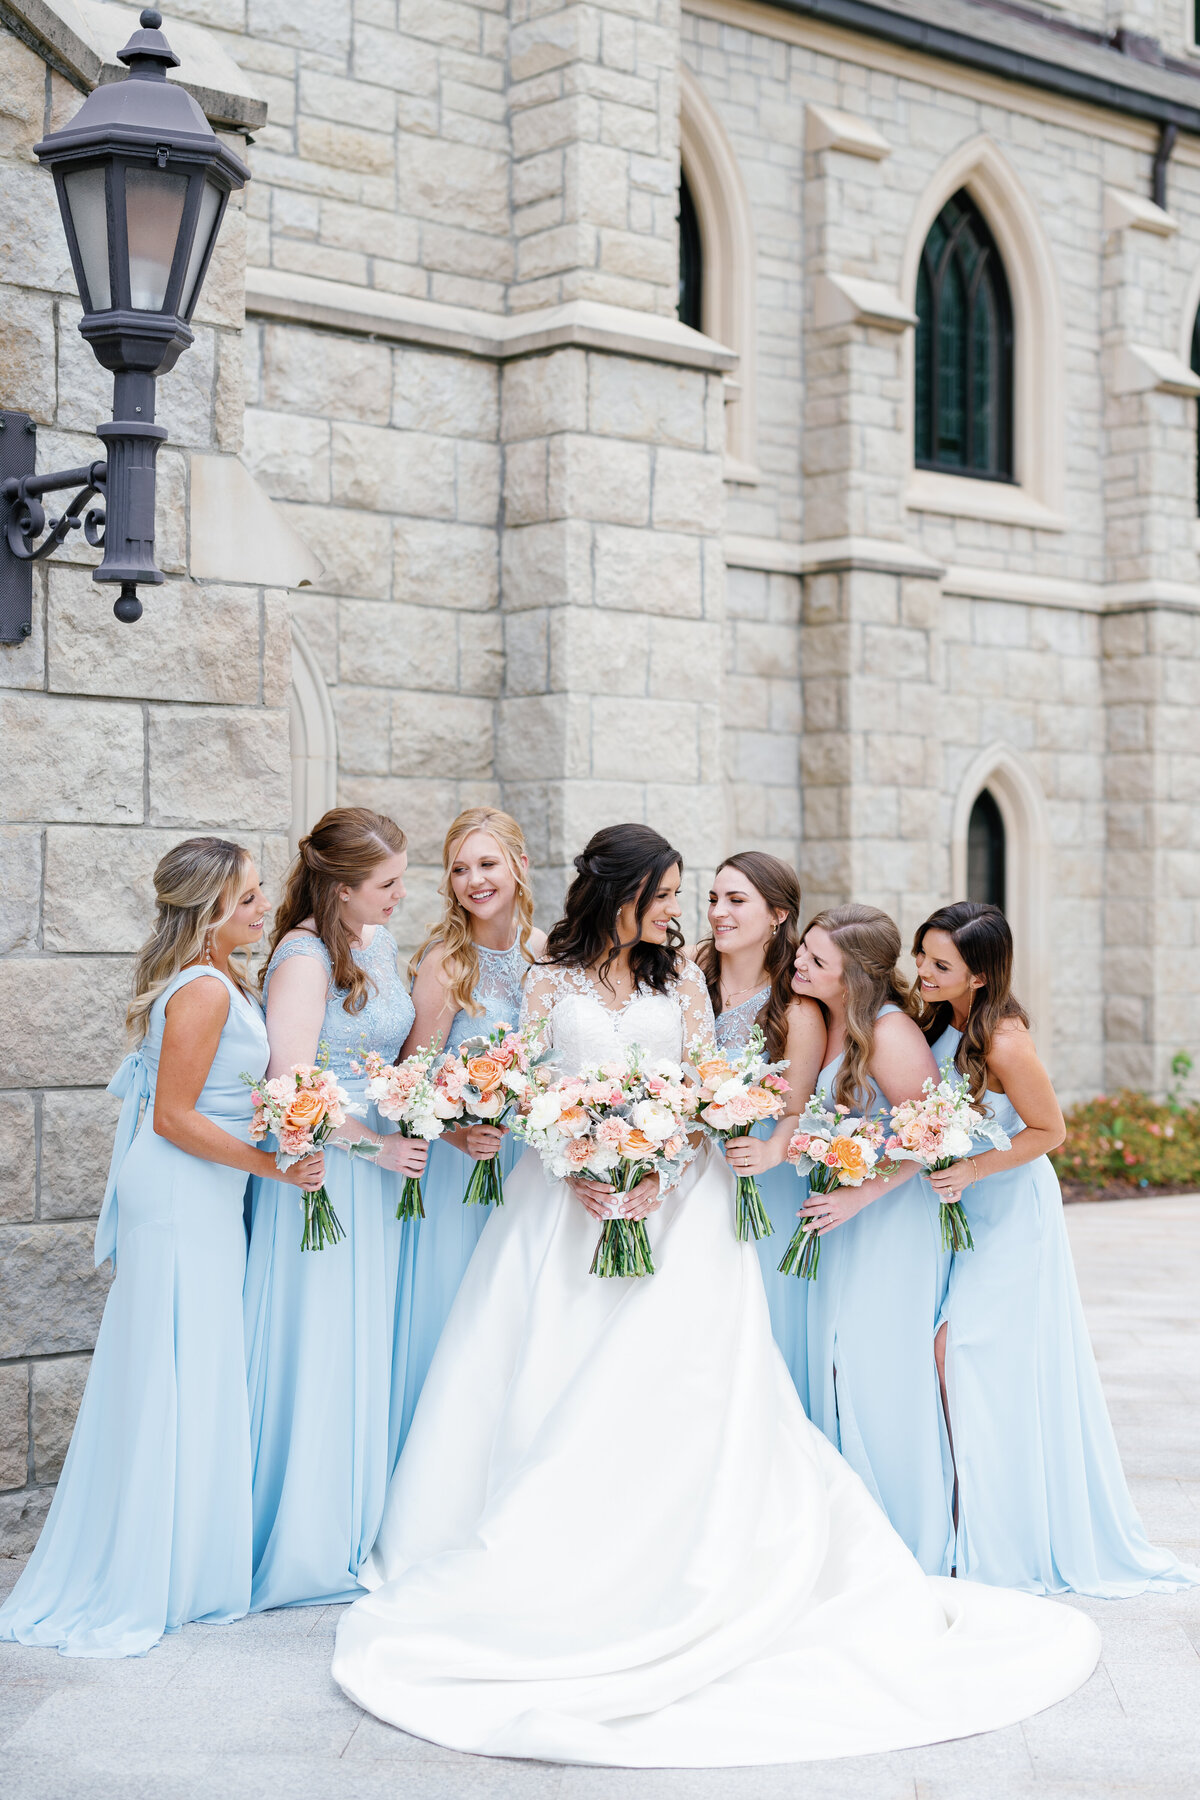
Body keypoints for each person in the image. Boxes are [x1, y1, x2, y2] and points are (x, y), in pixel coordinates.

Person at [330, 825, 1098, 1767]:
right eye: (667, 893)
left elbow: (702, 1095)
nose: (678, 911)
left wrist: (660, 1166)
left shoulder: (678, 981)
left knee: (683, 1384)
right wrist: (575, 1161)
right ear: (624, 891)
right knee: (534, 1370)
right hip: (557, 1205)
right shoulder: (544, 978)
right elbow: (531, 1088)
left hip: (677, 1209)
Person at [0, 839, 322, 1657]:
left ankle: (181, 1564)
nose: (261, 909)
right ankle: (152, 1572)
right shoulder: (206, 991)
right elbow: (173, 1118)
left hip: (202, 1193)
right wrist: (275, 1167)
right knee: (170, 1370)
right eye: (248, 899)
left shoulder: (224, 980)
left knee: (190, 1367)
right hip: (180, 1196)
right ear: (212, 907)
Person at [916, 900, 1199, 1596]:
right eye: (921, 956)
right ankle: (960, 1516)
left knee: (964, 1349)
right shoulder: (941, 1022)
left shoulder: (1006, 1041)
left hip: (1011, 1210)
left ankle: (995, 1529)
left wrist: (971, 1168)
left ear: (979, 976)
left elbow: (1052, 1131)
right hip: (959, 1206)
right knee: (951, 1355)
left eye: (939, 964)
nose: (922, 971)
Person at [243, 808, 427, 1611]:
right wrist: (373, 1148)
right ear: (343, 888)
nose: (399, 895)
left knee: (362, 1338)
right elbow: (289, 1086)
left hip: (379, 1163)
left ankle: (353, 1523)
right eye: (387, 884)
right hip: (327, 1172)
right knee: (318, 1338)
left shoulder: (376, 944)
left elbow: (391, 1048)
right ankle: (304, 1540)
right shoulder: (302, 957)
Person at [794, 905, 953, 1573]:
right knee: (839, 1365)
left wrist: (862, 1190)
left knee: (880, 1370)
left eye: (815, 959)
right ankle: (852, 1536)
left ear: (853, 975)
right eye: (802, 949)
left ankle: (910, 1537)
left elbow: (937, 1130)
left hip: (891, 1224)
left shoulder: (890, 1033)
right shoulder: (827, 1024)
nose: (798, 962)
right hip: (846, 1224)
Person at [392, 807, 545, 1458]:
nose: (474, 880)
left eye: (487, 863)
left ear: (519, 866)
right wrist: (456, 1134)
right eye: (459, 869)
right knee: (460, 1313)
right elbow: (408, 1079)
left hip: (532, 1167)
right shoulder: (446, 962)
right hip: (465, 1166)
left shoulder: (547, 955)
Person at [692, 851, 824, 1406]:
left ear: (777, 915)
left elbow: (797, 1109)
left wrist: (771, 1152)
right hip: (685, 1173)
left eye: (736, 900)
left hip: (760, 1181)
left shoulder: (796, 1010)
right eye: (714, 900)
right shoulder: (686, 981)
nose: (719, 912)